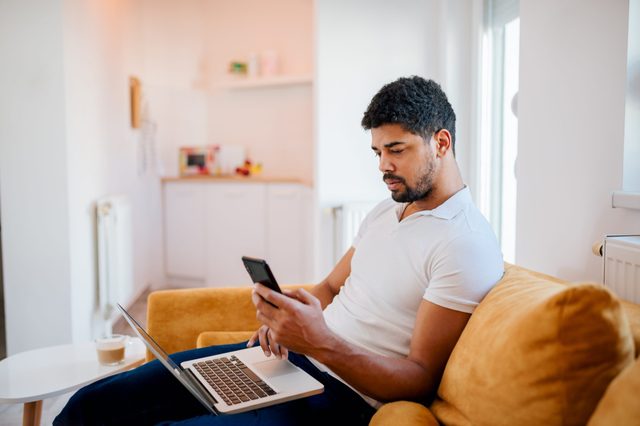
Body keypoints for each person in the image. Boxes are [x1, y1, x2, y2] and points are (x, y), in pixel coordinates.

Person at [54, 76, 503, 425]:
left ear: (441, 143)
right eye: (377, 152)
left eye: (397, 150)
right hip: (291, 362)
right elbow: (329, 285)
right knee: (90, 406)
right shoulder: (386, 212)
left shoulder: (463, 242)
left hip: (339, 400)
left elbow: (421, 377)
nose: (384, 166)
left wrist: (320, 342)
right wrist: (286, 315)